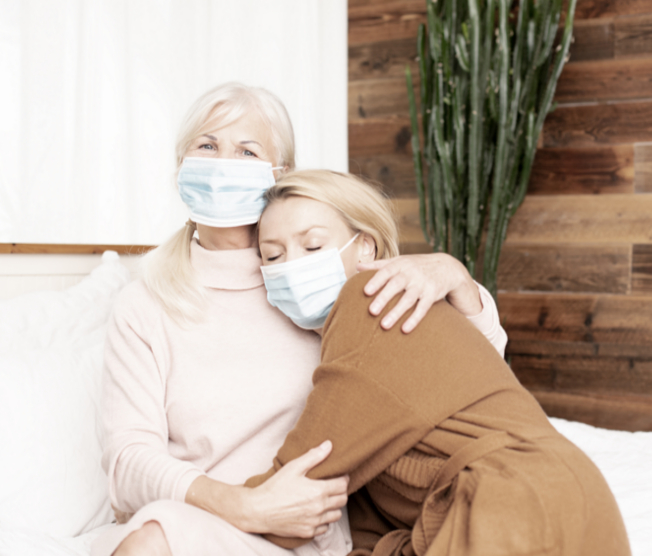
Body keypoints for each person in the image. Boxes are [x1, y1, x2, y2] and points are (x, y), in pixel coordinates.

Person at [92, 83, 507, 556]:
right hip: (200, 523)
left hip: (313, 536)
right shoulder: (144, 304)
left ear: (278, 175)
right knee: (150, 542)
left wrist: (459, 280)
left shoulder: (315, 282)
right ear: (180, 165)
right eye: (207, 145)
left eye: (246, 151)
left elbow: (469, 373)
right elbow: (127, 462)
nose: (223, 163)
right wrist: (243, 506)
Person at [246, 169, 631, 556]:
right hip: (564, 503)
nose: (292, 267)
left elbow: (296, 486)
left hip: (522, 502)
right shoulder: (355, 356)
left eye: (312, 246)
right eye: (273, 256)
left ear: (365, 247)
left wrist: (193, 494)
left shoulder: (371, 300)